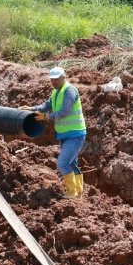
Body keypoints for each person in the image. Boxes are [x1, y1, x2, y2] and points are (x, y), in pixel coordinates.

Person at [26, 67, 87, 198]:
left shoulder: (69, 91)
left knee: (63, 163)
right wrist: (31, 108)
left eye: (56, 79)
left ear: (63, 77)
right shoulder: (56, 92)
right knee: (71, 163)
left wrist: (47, 117)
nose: (53, 82)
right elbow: (47, 105)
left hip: (75, 134)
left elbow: (65, 111)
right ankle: (78, 192)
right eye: (52, 80)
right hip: (65, 134)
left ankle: (72, 192)